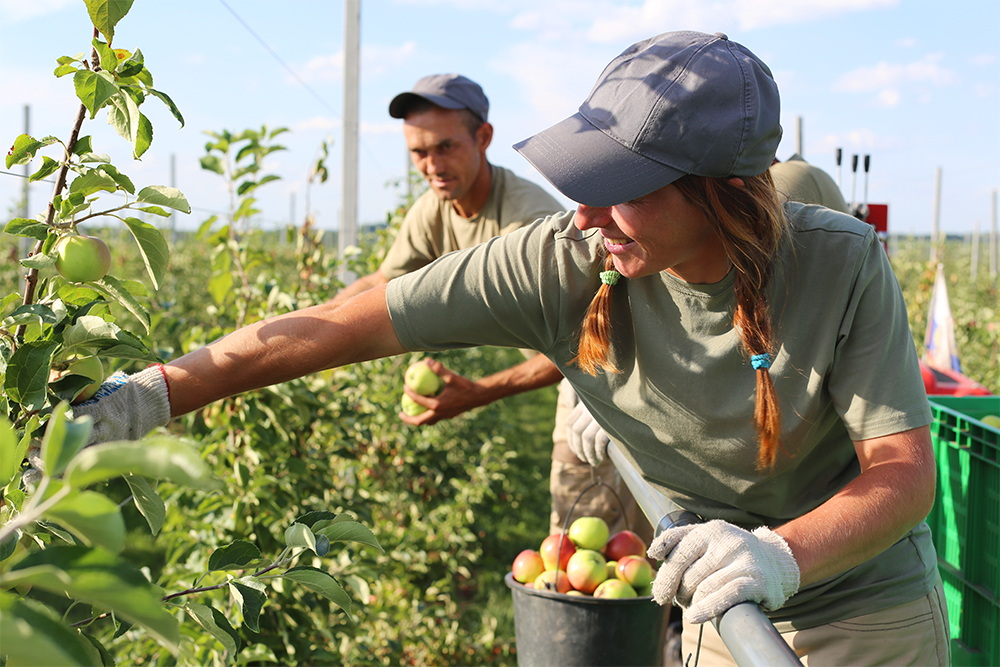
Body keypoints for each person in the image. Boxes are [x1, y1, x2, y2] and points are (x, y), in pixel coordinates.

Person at [72, 31, 948, 666]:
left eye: (620, 189)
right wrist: (146, 395)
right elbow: (348, 321)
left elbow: (904, 471)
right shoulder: (564, 264)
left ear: (717, 191)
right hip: (724, 608)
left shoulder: (838, 263)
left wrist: (782, 553)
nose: (584, 215)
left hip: (862, 607)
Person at [330, 73, 650, 542]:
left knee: (591, 532)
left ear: (483, 138)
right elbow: (382, 282)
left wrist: (477, 392)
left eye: (445, 147)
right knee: (612, 541)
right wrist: (311, 321)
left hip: (609, 373)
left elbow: (581, 347)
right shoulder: (434, 208)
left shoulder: (528, 224)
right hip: (577, 361)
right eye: (419, 152)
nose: (432, 165)